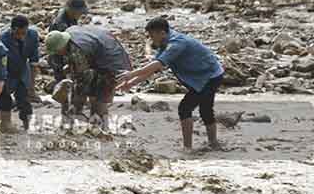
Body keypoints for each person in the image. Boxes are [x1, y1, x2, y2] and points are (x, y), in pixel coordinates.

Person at [117, 18, 224, 151]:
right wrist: (131, 83)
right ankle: (213, 143)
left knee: (186, 108)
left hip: (209, 76)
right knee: (205, 109)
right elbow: (154, 68)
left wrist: (132, 74)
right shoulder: (166, 42)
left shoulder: (177, 43)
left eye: (152, 36)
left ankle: (188, 148)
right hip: (202, 76)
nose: (151, 40)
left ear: (161, 33)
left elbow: (157, 64)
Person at [45, 25, 131, 125]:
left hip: (110, 61)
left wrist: (75, 104)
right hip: (96, 55)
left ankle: (101, 127)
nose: (57, 54)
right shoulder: (67, 38)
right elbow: (67, 73)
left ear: (62, 46)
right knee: (86, 93)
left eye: (57, 51)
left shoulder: (77, 51)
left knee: (99, 97)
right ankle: (90, 123)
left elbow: (82, 79)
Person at [1, 15, 39, 131]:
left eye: (24, 33)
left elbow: (34, 62)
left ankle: (27, 127)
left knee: (24, 100)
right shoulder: (3, 38)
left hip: (23, 71)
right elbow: (0, 62)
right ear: (12, 29)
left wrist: (32, 86)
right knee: (4, 99)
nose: (21, 37)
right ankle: (3, 124)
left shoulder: (32, 36)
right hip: (7, 72)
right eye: (18, 33)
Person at [48, 0, 88, 83]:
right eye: (79, 12)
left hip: (65, 53)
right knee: (63, 83)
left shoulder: (70, 17)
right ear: (72, 10)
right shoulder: (61, 24)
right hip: (59, 57)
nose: (81, 15)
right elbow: (64, 46)